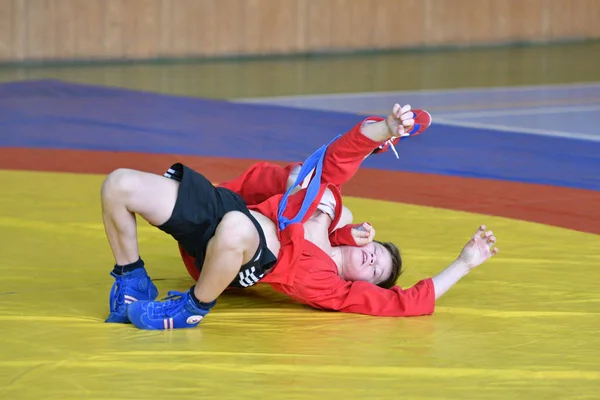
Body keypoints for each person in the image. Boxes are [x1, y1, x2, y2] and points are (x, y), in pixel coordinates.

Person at [100, 104, 499, 330]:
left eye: (377, 272)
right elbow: (339, 156)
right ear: (362, 238)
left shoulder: (329, 286)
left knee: (239, 227)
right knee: (119, 184)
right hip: (226, 213)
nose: (374, 261)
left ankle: (191, 308)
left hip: (237, 255)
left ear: (362, 284)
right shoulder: (328, 206)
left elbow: (406, 302)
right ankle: (132, 281)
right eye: (377, 252)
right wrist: (387, 129)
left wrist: (464, 264)